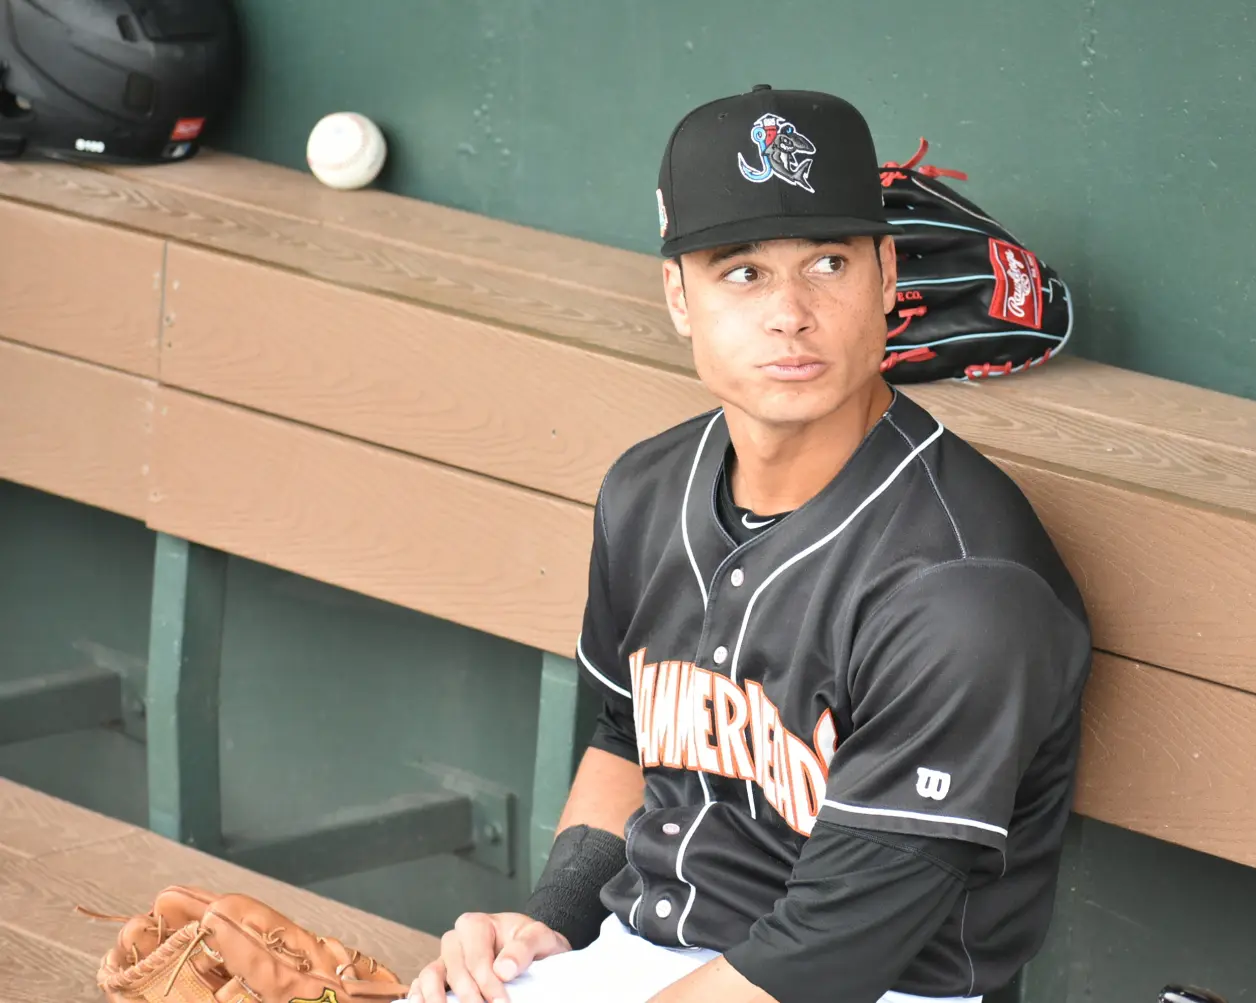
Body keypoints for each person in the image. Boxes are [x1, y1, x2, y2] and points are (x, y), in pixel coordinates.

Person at [405, 84, 1093, 1003]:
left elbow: (828, 954)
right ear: (678, 296)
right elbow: (627, 732)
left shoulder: (965, 588)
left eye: (828, 264)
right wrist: (553, 922)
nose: (790, 313)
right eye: (742, 272)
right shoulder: (647, 489)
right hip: (650, 953)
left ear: (888, 275)